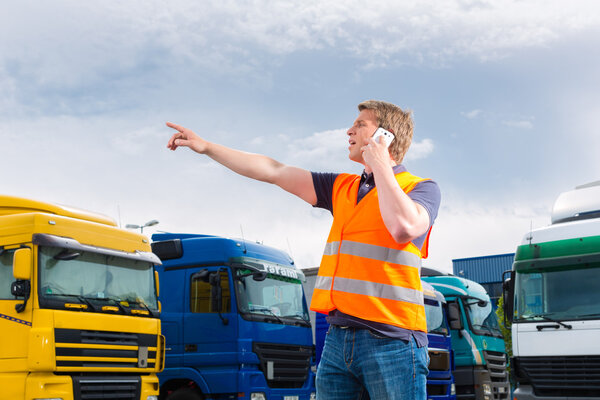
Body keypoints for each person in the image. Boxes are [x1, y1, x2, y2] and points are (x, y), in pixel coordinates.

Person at [166, 100, 441, 400]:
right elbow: (274, 170)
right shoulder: (342, 188)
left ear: (385, 136)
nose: (349, 130)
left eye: (360, 124)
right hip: (339, 340)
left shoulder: (421, 188)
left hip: (393, 342)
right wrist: (206, 147)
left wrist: (380, 166)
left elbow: (404, 227)